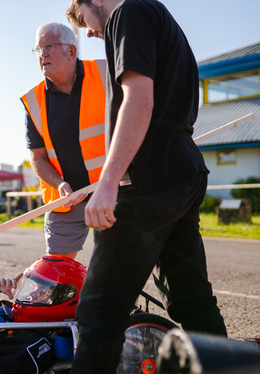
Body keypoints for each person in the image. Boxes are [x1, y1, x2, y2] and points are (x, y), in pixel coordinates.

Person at [65, 1, 227, 372]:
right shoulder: (159, 16)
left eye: (83, 19)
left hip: (148, 181)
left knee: (99, 314)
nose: (88, 31)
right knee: (193, 302)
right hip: (182, 173)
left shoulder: (128, 14)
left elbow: (139, 99)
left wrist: (108, 181)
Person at [21, 22, 106, 260]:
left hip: (112, 191)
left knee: (117, 272)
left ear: (71, 51)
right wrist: (59, 184)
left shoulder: (106, 76)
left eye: (49, 46)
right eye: (38, 49)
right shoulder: (34, 101)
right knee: (57, 272)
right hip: (66, 200)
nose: (43, 54)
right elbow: (37, 158)